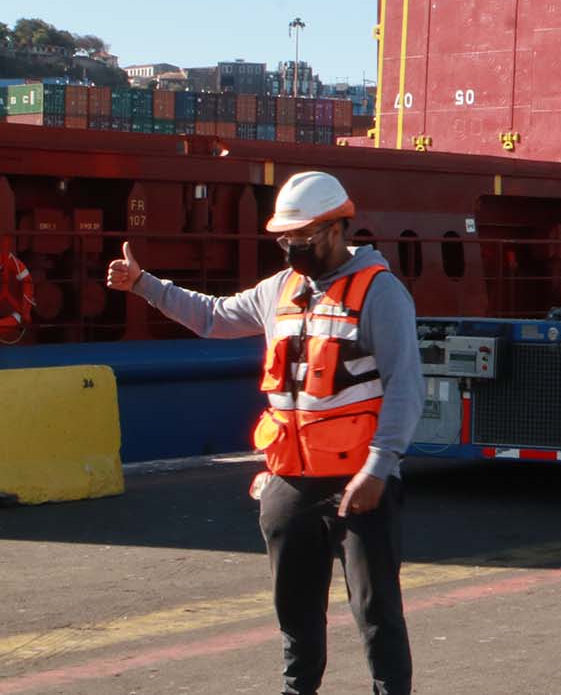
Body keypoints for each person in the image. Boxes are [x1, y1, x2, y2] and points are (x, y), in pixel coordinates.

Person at [106, 171, 419, 695]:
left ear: (339, 228)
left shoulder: (380, 294)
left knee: (376, 610)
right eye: (285, 239)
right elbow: (211, 316)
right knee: (295, 615)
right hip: (289, 482)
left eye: (303, 237)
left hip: (360, 484)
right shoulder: (279, 290)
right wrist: (144, 284)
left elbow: (406, 388)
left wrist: (378, 468)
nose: (292, 247)